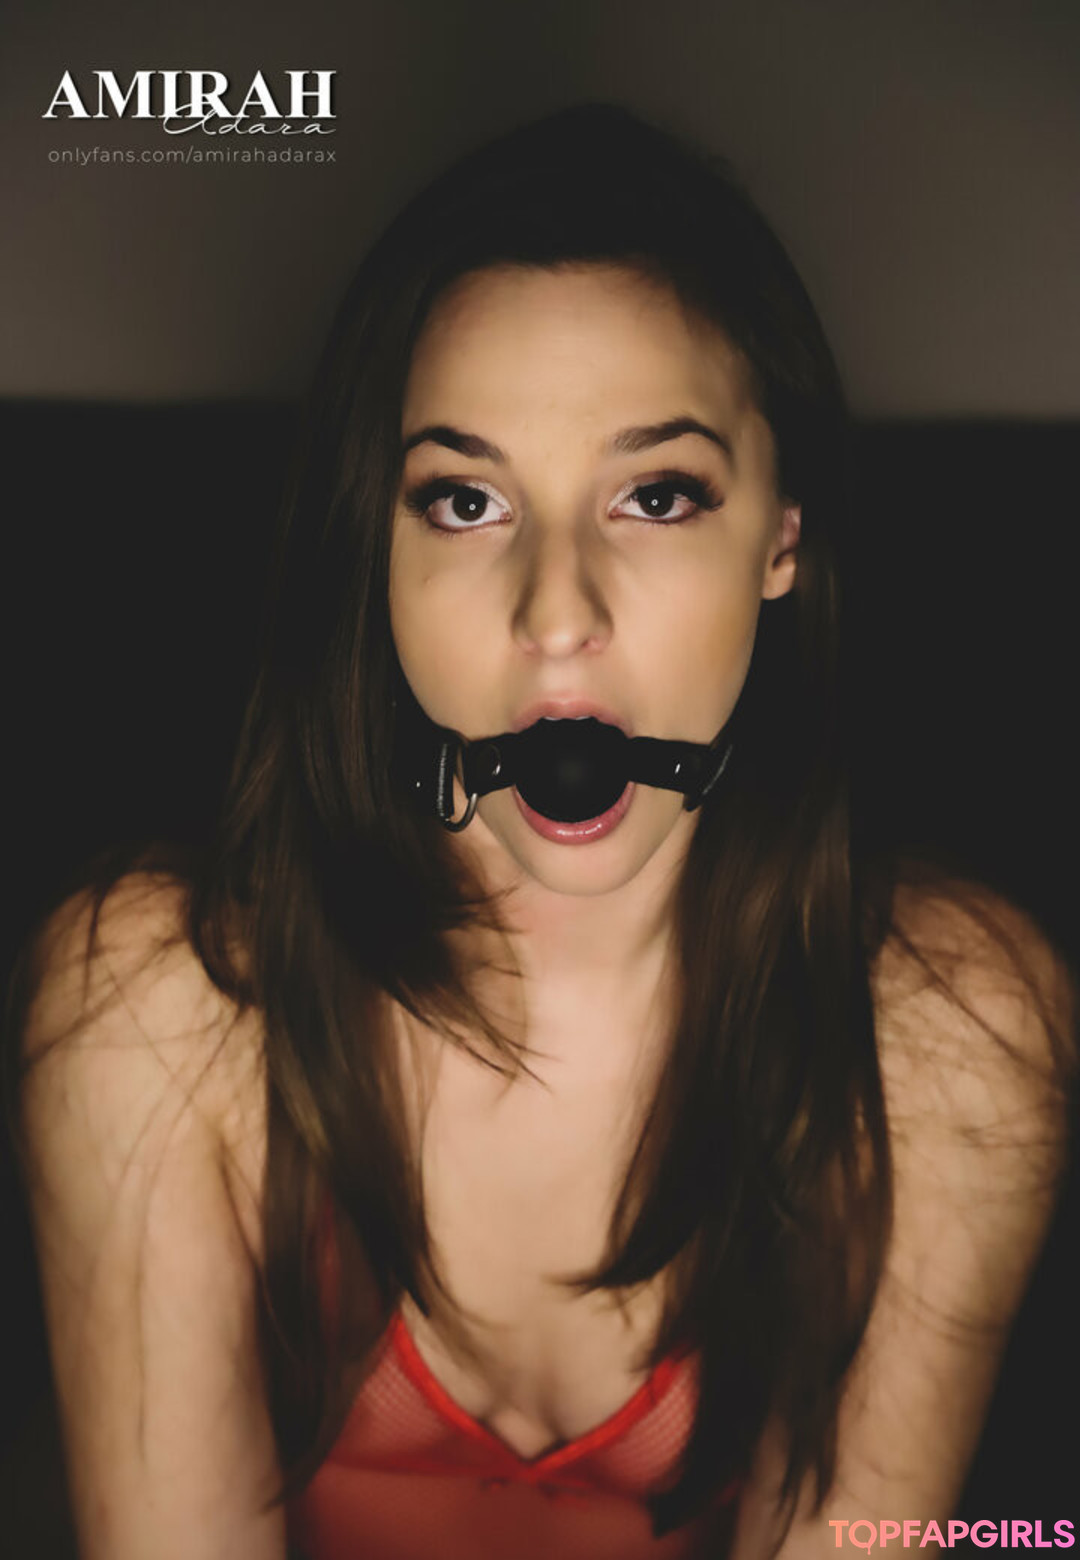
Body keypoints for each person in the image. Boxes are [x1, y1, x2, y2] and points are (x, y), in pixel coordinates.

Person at [8, 103, 1075, 1560]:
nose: (557, 612)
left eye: (656, 495)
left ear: (781, 538)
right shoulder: (155, 1004)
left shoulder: (956, 1036)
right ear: (376, 553)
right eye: (464, 500)